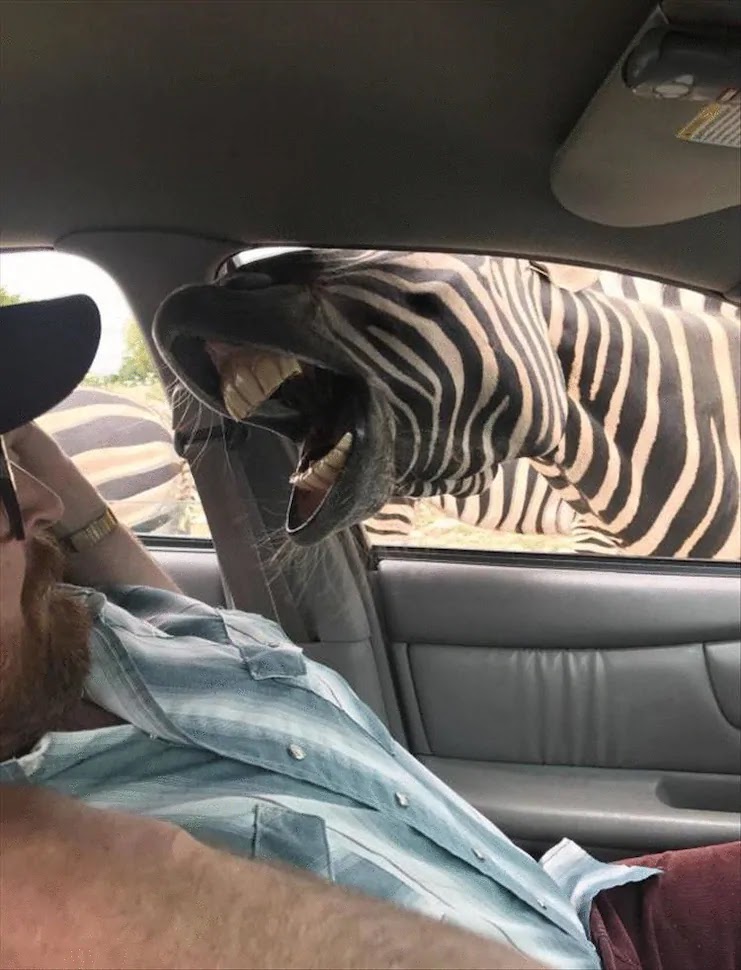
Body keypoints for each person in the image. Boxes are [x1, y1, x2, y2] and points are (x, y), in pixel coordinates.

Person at [0, 297, 738, 970]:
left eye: (9, 452)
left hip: (579, 912)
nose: (43, 503)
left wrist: (27, 438)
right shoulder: (51, 885)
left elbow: (124, 567)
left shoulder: (101, 634)